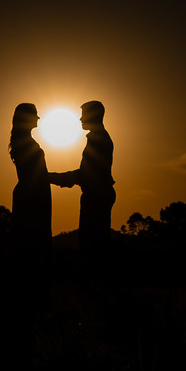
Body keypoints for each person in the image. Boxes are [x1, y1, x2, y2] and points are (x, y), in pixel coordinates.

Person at [50, 100, 115, 271]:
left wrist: (50, 177)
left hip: (96, 196)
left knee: (92, 244)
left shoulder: (98, 140)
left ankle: (95, 286)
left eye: (84, 115)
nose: (80, 119)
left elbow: (85, 174)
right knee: (95, 243)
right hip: (99, 194)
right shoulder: (98, 138)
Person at [8, 102, 54, 316]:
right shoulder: (25, 142)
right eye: (34, 115)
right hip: (32, 197)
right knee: (32, 246)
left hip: (32, 195)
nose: (38, 119)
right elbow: (33, 175)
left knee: (32, 246)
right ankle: (32, 302)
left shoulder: (23, 141)